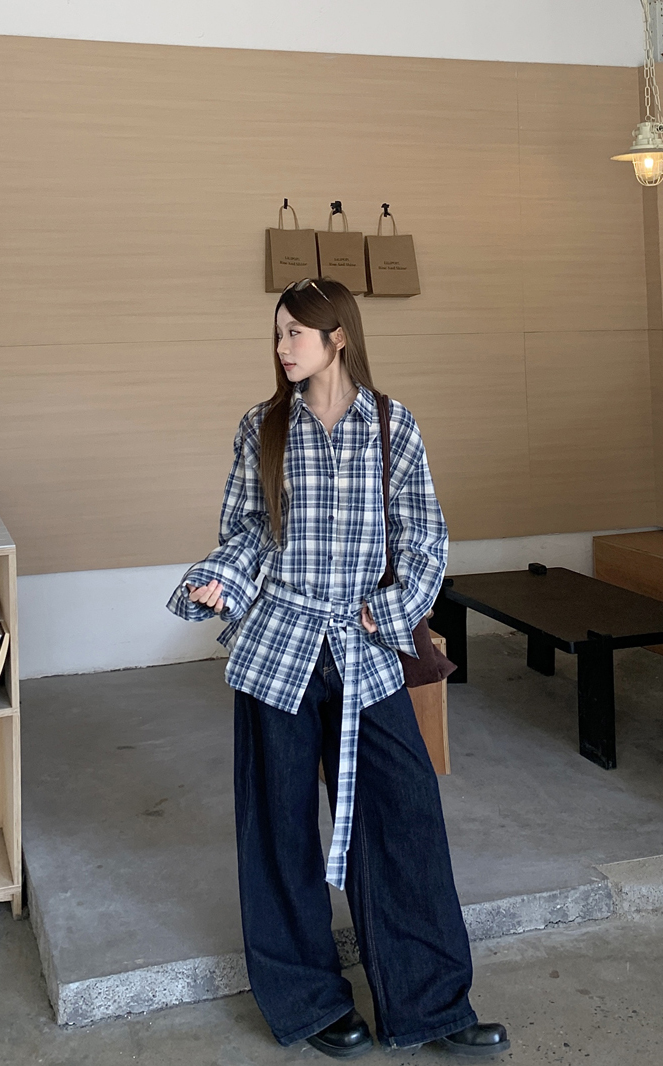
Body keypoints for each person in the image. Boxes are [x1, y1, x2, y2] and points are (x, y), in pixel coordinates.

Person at [166, 277, 509, 1060]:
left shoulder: (392, 424)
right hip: (277, 648)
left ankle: (431, 1006)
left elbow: (425, 537)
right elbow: (248, 532)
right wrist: (220, 579)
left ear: (338, 337)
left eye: (296, 332)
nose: (282, 346)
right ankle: (310, 1004)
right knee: (278, 831)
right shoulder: (262, 427)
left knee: (403, 823)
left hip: (364, 651)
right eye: (278, 333)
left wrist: (391, 611)